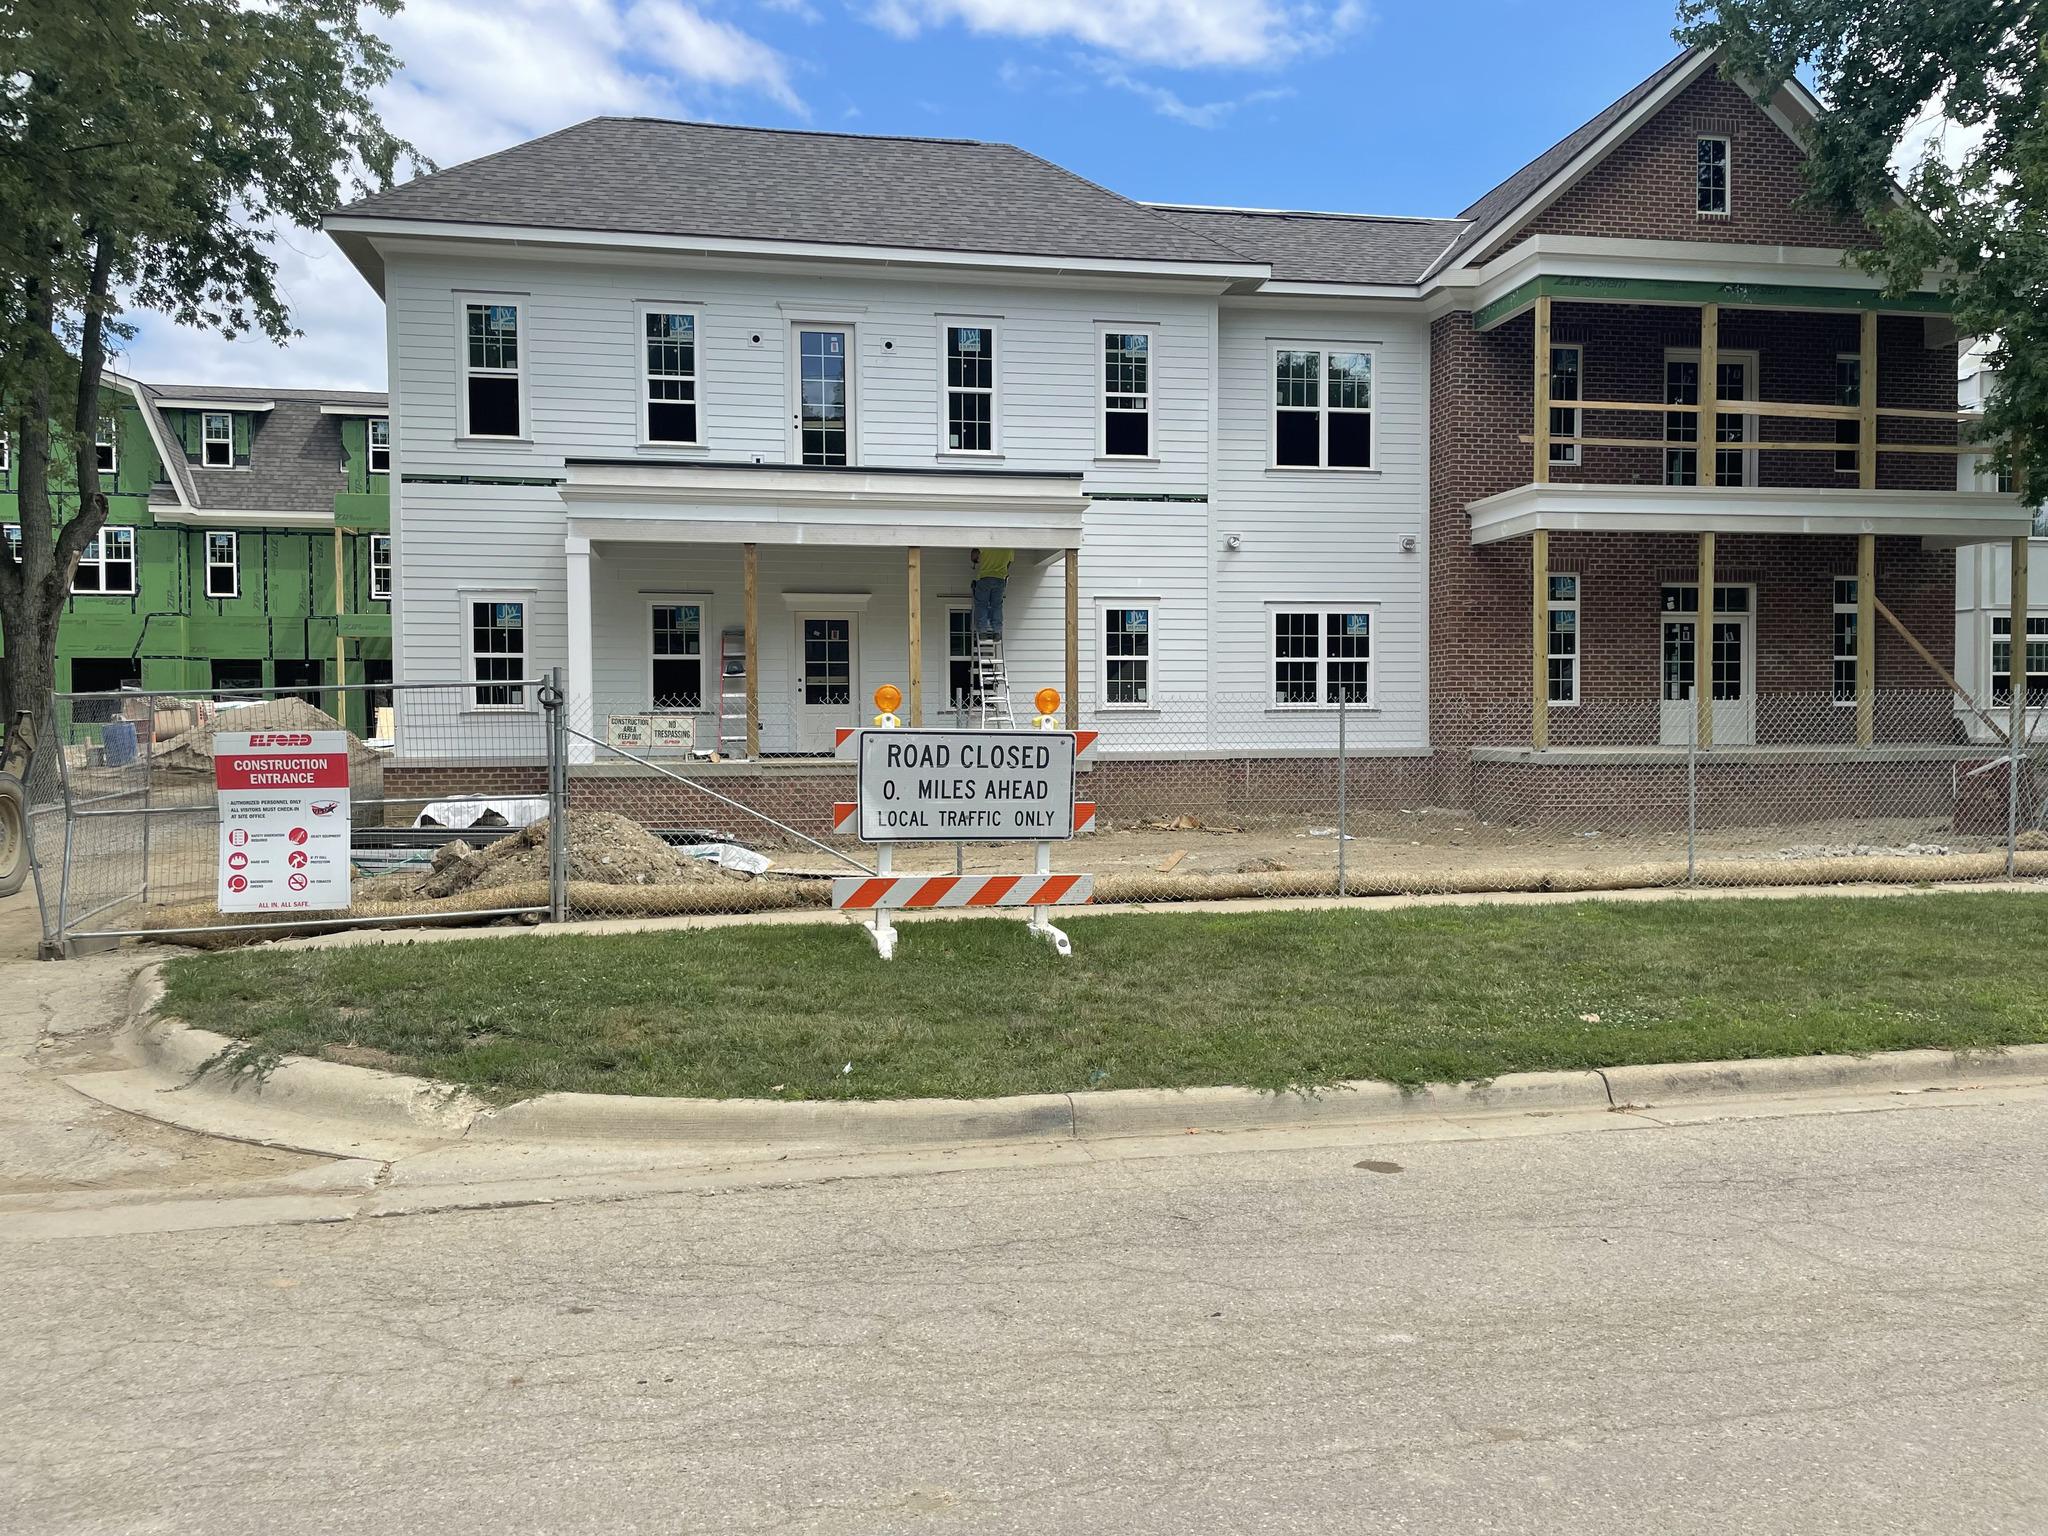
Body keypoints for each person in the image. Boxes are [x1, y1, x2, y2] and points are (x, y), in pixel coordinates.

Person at [970, 546, 1013, 640]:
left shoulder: (986, 543)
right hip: (1000, 579)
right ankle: (997, 631)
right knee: (997, 606)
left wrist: (975, 560)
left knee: (982, 605)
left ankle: (982, 632)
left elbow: (974, 554)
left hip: (984, 577)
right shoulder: (1009, 547)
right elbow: (1009, 563)